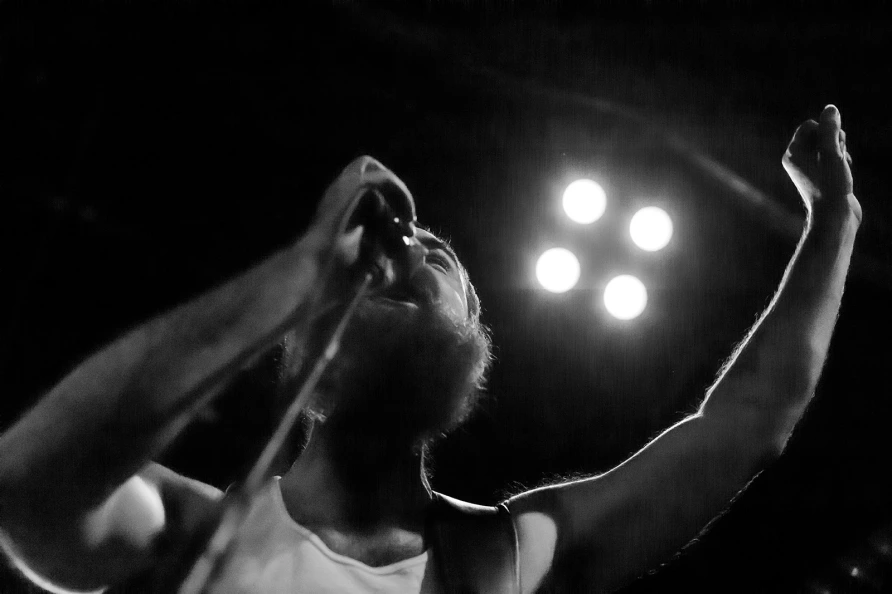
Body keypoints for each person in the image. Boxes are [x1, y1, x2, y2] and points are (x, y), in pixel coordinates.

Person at [0, 104, 861, 593]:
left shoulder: (511, 562)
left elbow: (748, 423)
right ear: (305, 354)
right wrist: (303, 270)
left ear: (478, 349)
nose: (415, 257)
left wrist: (832, 224)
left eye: (442, 263)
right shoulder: (179, 530)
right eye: (370, 279)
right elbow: (27, 483)